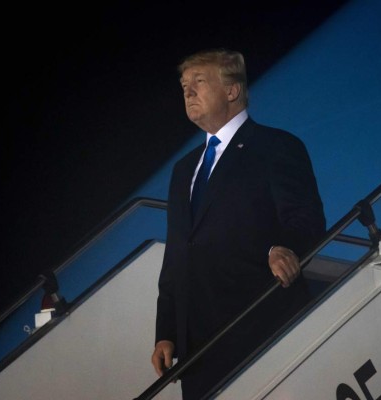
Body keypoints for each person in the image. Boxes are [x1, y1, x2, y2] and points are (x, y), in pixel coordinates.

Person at [151, 48, 326, 400]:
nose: (188, 92)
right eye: (184, 85)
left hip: (260, 327)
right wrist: (166, 331)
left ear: (232, 91)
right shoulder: (184, 169)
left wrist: (285, 247)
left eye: (199, 82)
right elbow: (177, 255)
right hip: (199, 351)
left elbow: (306, 218)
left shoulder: (275, 146)